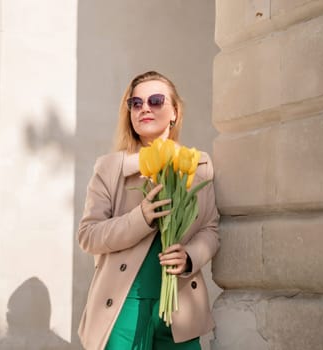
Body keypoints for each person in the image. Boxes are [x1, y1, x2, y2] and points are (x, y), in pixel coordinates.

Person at [77, 71, 220, 350]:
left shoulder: (198, 164)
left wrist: (190, 256)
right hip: (122, 304)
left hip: (180, 304)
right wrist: (140, 218)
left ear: (175, 112)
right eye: (136, 102)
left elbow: (211, 229)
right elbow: (88, 235)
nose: (145, 108)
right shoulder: (110, 168)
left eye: (156, 101)